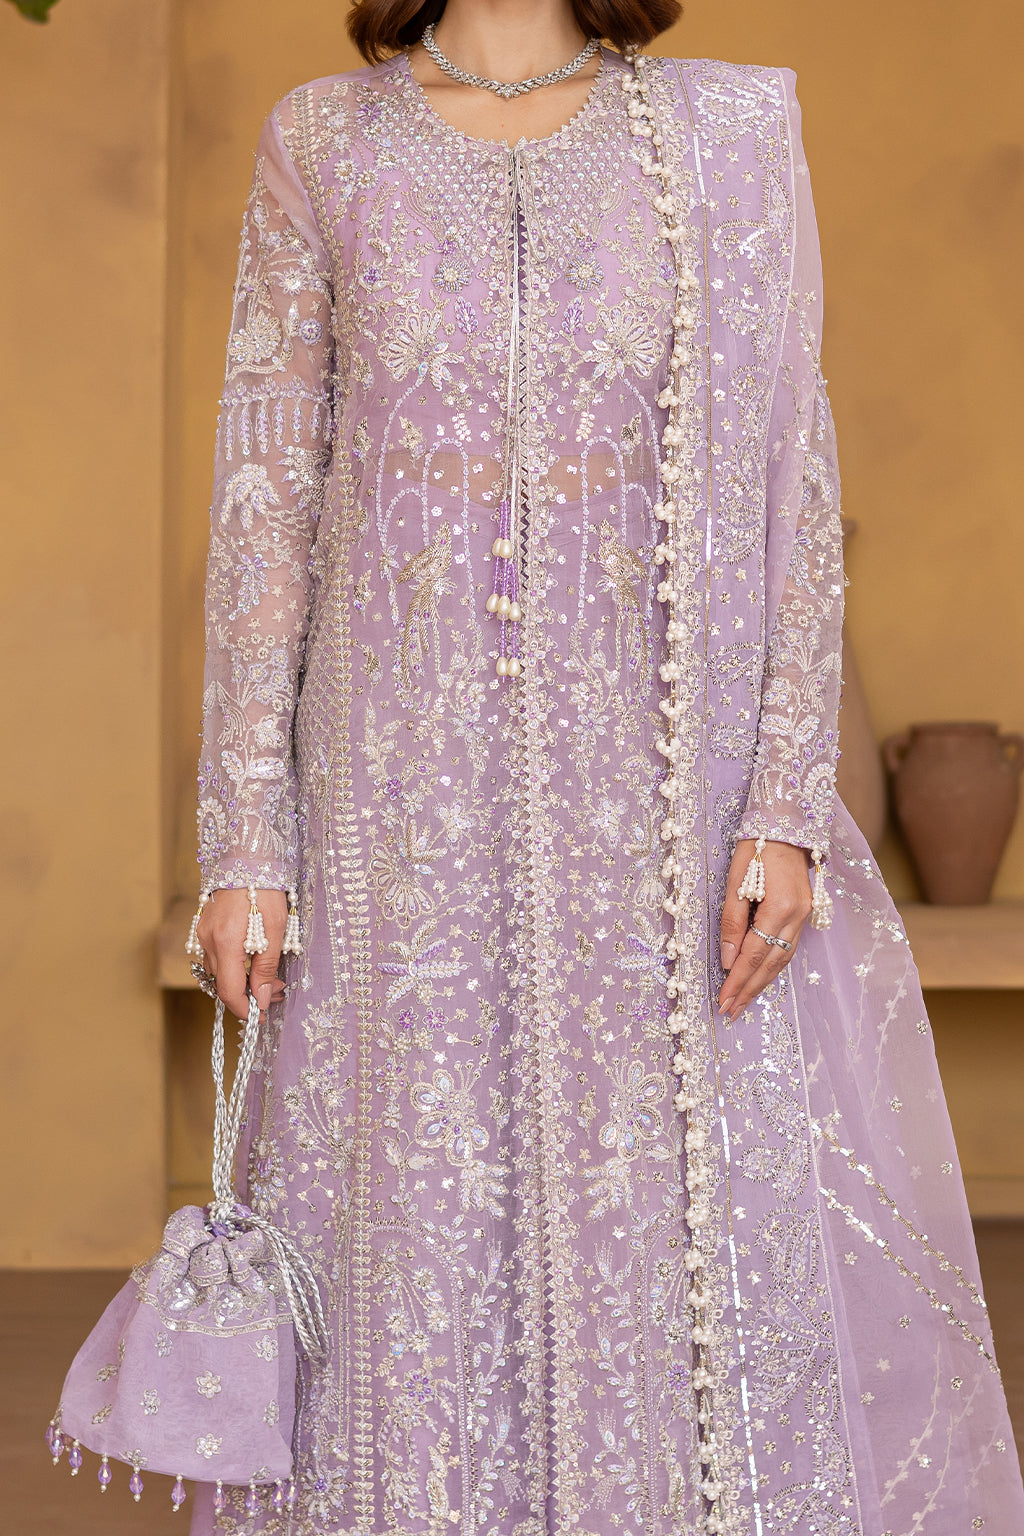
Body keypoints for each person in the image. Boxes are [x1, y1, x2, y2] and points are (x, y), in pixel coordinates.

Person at [188, 2, 1024, 1531]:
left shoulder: (726, 136)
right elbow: (266, 498)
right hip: (395, 799)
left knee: (658, 1220)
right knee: (414, 1216)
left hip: (653, 799)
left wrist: (783, 804)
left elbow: (789, 473)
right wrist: (246, 835)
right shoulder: (325, 142)